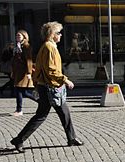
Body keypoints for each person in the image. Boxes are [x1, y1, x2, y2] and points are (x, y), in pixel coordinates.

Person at [10, 21, 83, 153]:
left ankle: (71, 137)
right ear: (52, 34)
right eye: (58, 33)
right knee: (42, 115)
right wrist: (66, 80)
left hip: (47, 86)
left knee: (62, 112)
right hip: (50, 87)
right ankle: (19, 139)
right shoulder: (49, 47)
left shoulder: (48, 46)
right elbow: (51, 70)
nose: (60, 35)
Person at [11, 30, 37, 116]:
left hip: (23, 72)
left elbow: (29, 60)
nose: (17, 37)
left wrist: (29, 72)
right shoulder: (17, 46)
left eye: (19, 36)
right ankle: (42, 102)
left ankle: (19, 110)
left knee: (19, 91)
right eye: (17, 36)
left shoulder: (26, 46)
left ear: (24, 37)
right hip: (18, 72)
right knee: (23, 92)